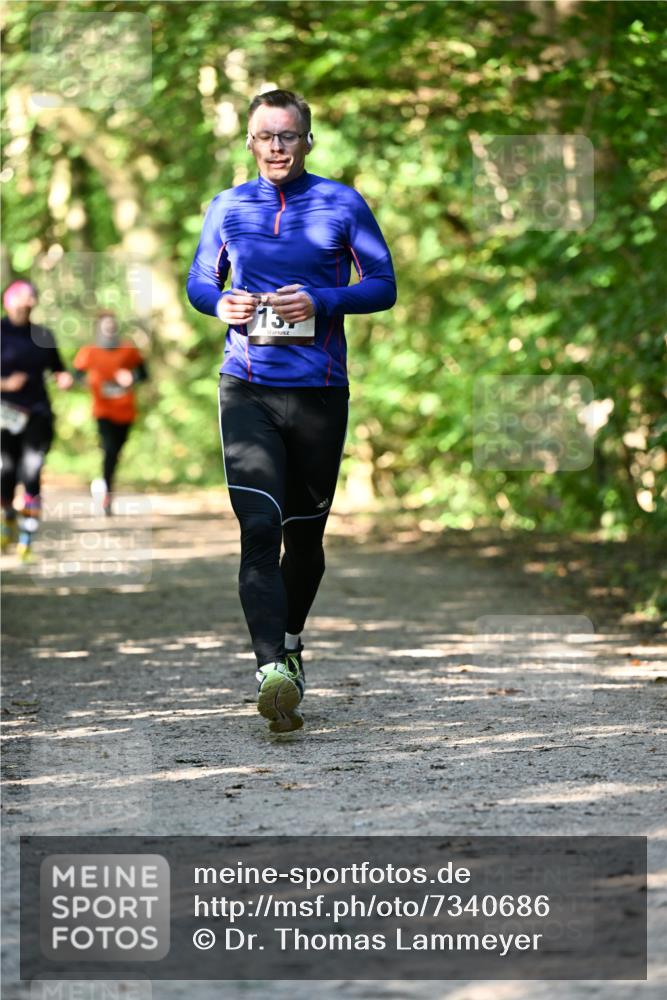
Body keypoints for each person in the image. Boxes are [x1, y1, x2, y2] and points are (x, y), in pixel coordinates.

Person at [187, 88, 396, 733]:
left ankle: (292, 642)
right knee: (259, 527)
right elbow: (199, 281)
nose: (276, 146)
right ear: (249, 142)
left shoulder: (342, 203)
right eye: (265, 136)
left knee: (304, 538)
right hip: (246, 386)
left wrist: (323, 300)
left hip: (319, 392)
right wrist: (218, 304)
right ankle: (270, 669)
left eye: (288, 135)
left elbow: (382, 285)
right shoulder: (228, 206)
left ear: (308, 141)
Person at [0, 280, 73, 560]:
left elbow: (58, 368)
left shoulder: (43, 335)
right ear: (8, 302)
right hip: (5, 414)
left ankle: (27, 537)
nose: (28, 303)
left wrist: (63, 378)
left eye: (31, 298)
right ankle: (7, 518)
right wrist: (6, 384)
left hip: (37, 412)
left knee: (32, 470)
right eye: (22, 297)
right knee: (6, 472)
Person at [72, 310, 147, 515]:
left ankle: (104, 483)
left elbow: (143, 374)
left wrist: (131, 377)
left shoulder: (128, 349)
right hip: (102, 409)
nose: (110, 329)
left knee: (116, 452)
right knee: (109, 448)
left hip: (126, 410)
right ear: (98, 328)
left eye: (112, 325)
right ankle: (106, 492)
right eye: (106, 326)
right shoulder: (89, 351)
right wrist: (89, 381)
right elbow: (76, 375)